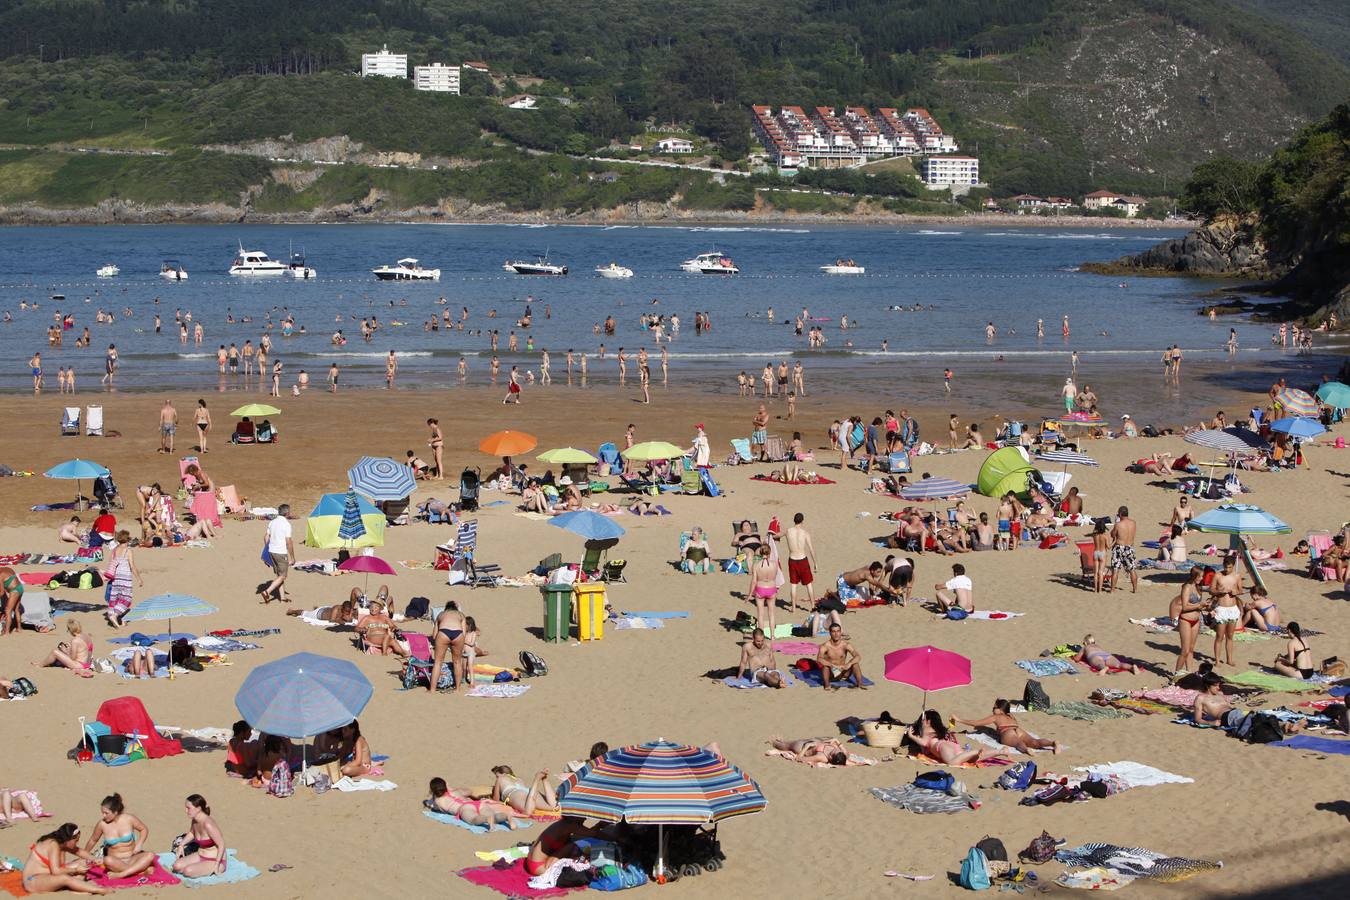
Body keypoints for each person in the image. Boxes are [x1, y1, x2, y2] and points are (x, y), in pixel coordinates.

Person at [83, 794, 155, 880]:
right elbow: (93, 840)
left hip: (132, 858)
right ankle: (140, 872)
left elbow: (144, 829)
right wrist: (84, 855)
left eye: (106, 813)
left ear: (115, 812)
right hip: (116, 862)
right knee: (107, 860)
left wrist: (139, 844)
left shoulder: (129, 819)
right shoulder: (102, 824)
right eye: (102, 813)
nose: (103, 816)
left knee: (150, 855)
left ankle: (122, 874)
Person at [21, 822, 105, 895]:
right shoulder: (53, 844)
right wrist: (76, 870)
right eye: (76, 840)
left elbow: (79, 851)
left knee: (84, 862)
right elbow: (56, 871)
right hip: (32, 880)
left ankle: (76, 888)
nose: (77, 843)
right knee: (65, 878)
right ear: (68, 839)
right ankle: (99, 890)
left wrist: (95, 859)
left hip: (48, 874)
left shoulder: (62, 843)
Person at [956, 699, 1059, 754]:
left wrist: (959, 719)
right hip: (1018, 729)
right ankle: (1053, 743)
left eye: (994, 707)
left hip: (1007, 731)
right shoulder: (1010, 715)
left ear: (1000, 710)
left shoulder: (996, 717)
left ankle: (1027, 750)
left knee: (1018, 744)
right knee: (1035, 742)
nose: (992, 709)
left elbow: (976, 723)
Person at [903, 710, 997, 765]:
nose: (921, 723)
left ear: (928, 721)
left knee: (952, 762)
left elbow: (923, 742)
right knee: (970, 759)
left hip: (941, 747)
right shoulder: (937, 731)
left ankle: (975, 751)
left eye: (922, 720)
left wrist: (911, 736)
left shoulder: (926, 732)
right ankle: (1000, 751)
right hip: (951, 745)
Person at [171, 795, 226, 878]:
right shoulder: (195, 820)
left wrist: (217, 864)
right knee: (176, 866)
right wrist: (181, 845)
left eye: (188, 808)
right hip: (200, 854)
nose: (186, 811)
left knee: (187, 871)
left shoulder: (208, 824)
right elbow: (192, 833)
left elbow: (221, 844)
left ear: (198, 808)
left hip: (214, 860)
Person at [525, 818, 592, 876]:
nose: (585, 819)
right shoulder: (570, 826)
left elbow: (588, 833)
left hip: (532, 862)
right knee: (576, 844)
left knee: (577, 843)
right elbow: (595, 834)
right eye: (583, 817)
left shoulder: (562, 823)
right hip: (542, 868)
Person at [1170, 568, 1208, 673]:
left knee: (1191, 650)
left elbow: (1196, 606)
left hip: (1196, 620)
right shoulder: (1187, 587)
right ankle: (1176, 674)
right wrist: (1199, 604)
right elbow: (1185, 607)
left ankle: (1189, 672)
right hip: (1186, 620)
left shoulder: (1198, 587)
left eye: (1202, 576)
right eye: (1200, 576)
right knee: (1185, 651)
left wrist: (1205, 607)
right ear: (1194, 576)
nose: (1202, 578)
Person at [1209, 555, 1243, 666]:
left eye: (1229, 567)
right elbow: (1211, 590)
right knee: (1219, 636)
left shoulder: (1237, 576)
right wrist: (1219, 592)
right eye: (1225, 567)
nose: (1227, 570)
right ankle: (1217, 660)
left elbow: (1240, 590)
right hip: (1221, 609)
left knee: (1230, 636)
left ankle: (1229, 659)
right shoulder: (1218, 575)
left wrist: (1235, 592)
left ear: (1233, 566)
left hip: (1232, 609)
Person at [428, 602, 467, 693]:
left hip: (443, 633)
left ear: (446, 608)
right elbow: (464, 634)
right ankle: (457, 689)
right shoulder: (461, 615)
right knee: (457, 662)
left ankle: (432, 690)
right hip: (458, 634)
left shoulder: (441, 615)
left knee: (438, 662)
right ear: (455, 608)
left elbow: (434, 636)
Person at [104, 531, 139, 629]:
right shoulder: (128, 551)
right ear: (127, 540)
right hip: (125, 578)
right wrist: (139, 579)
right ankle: (114, 615)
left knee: (116, 598)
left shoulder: (114, 550)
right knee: (127, 599)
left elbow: (111, 564)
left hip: (115, 578)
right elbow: (132, 566)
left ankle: (122, 620)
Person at [491, 766, 559, 817]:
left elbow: (496, 799)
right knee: (553, 808)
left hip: (514, 793)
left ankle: (536, 779)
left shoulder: (501, 779)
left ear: (504, 774)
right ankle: (544, 780)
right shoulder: (519, 779)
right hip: (529, 791)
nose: (496, 778)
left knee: (527, 812)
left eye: (497, 776)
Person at [817, 622, 865, 690]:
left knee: (855, 664)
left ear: (840, 632)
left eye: (838, 631)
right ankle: (827, 685)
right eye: (833, 631)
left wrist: (849, 663)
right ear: (830, 633)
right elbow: (819, 659)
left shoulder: (845, 644)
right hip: (831, 673)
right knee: (825, 667)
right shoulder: (825, 646)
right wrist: (833, 666)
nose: (836, 634)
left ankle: (860, 684)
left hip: (843, 672)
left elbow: (857, 656)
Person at [260, 506, 293, 603]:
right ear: (287, 513)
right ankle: (267, 591)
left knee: (279, 575)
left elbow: (266, 537)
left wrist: (267, 549)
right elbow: (289, 542)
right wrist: (293, 557)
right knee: (283, 576)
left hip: (272, 551)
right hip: (281, 552)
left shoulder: (272, 522)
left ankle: (282, 598)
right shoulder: (286, 524)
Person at [784, 512, 816, 613]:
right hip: (803, 559)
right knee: (809, 584)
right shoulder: (805, 533)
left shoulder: (788, 531)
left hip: (793, 559)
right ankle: (812, 606)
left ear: (794, 520)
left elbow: (777, 535)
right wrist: (815, 563)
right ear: (802, 521)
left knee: (793, 585)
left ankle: (793, 607)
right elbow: (811, 549)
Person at [747, 544, 779, 640]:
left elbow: (754, 581)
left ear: (760, 553)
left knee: (760, 614)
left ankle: (761, 636)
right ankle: (772, 635)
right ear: (769, 552)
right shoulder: (774, 564)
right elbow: (775, 576)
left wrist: (749, 595)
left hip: (760, 588)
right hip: (771, 588)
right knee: (771, 613)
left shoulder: (756, 565)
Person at [1073, 634, 1139, 675]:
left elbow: (1077, 659)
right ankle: (1131, 667)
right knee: (1119, 664)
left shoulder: (1085, 647)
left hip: (1094, 655)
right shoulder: (1097, 646)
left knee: (1099, 663)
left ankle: (1104, 668)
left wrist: (1074, 656)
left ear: (1085, 643)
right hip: (1106, 655)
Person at [767, 736, 855, 767]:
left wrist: (807, 746)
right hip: (810, 741)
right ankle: (781, 741)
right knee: (785, 742)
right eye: (837, 750)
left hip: (801, 747)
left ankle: (774, 742)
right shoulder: (842, 755)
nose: (835, 749)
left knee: (776, 743)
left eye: (833, 752)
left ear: (831, 757)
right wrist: (836, 741)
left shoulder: (821, 757)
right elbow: (845, 753)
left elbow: (799, 758)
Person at [1109, 506, 1138, 593]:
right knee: (1132, 569)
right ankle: (1135, 589)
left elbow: (1112, 534)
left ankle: (1113, 589)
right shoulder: (1133, 523)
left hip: (1119, 547)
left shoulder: (1118, 524)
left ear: (1120, 514)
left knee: (1115, 569)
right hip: (1129, 547)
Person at [0, 565, 22, 636]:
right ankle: (19, 628)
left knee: (7, 611)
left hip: (14, 590)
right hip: (20, 588)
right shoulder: (8, 568)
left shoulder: (0, 575)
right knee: (16, 609)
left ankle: (7, 632)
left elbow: (2, 592)